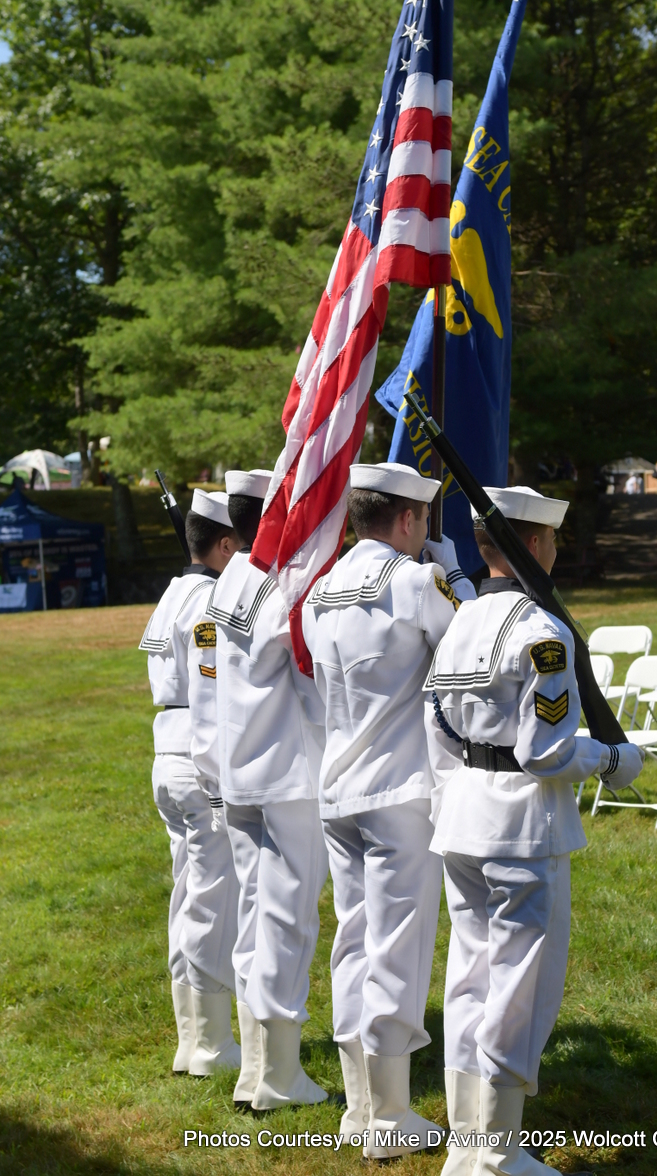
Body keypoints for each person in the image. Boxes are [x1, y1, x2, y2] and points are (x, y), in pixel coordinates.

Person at [424, 486, 644, 1176]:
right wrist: (610, 759)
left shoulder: (458, 621)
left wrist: (451, 797)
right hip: (521, 826)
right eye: (552, 540)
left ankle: (467, 1143)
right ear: (537, 544)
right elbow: (544, 753)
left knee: (469, 980)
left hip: (462, 815)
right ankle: (497, 1153)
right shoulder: (543, 633)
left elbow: (437, 728)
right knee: (520, 989)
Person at [302, 461, 476, 1161]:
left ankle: (361, 1108)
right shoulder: (416, 582)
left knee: (353, 946)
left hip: (337, 788)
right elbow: (472, 646)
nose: (426, 530)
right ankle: (391, 1117)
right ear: (408, 519)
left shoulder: (319, 592)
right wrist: (453, 572)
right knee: (396, 955)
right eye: (424, 519)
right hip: (399, 792)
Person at [205, 469, 329, 1112]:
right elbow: (315, 681)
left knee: (255, 920)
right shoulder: (281, 587)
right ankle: (278, 1075)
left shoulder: (231, 579)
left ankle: (255, 1070)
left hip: (241, 773)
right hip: (286, 777)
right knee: (286, 923)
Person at [139, 489, 242, 1077]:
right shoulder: (209, 601)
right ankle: (209, 1044)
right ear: (224, 545)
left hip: (168, 752)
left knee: (189, 895)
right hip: (200, 755)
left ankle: (192, 1038)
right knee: (212, 904)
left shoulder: (173, 592)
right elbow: (208, 692)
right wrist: (218, 777)